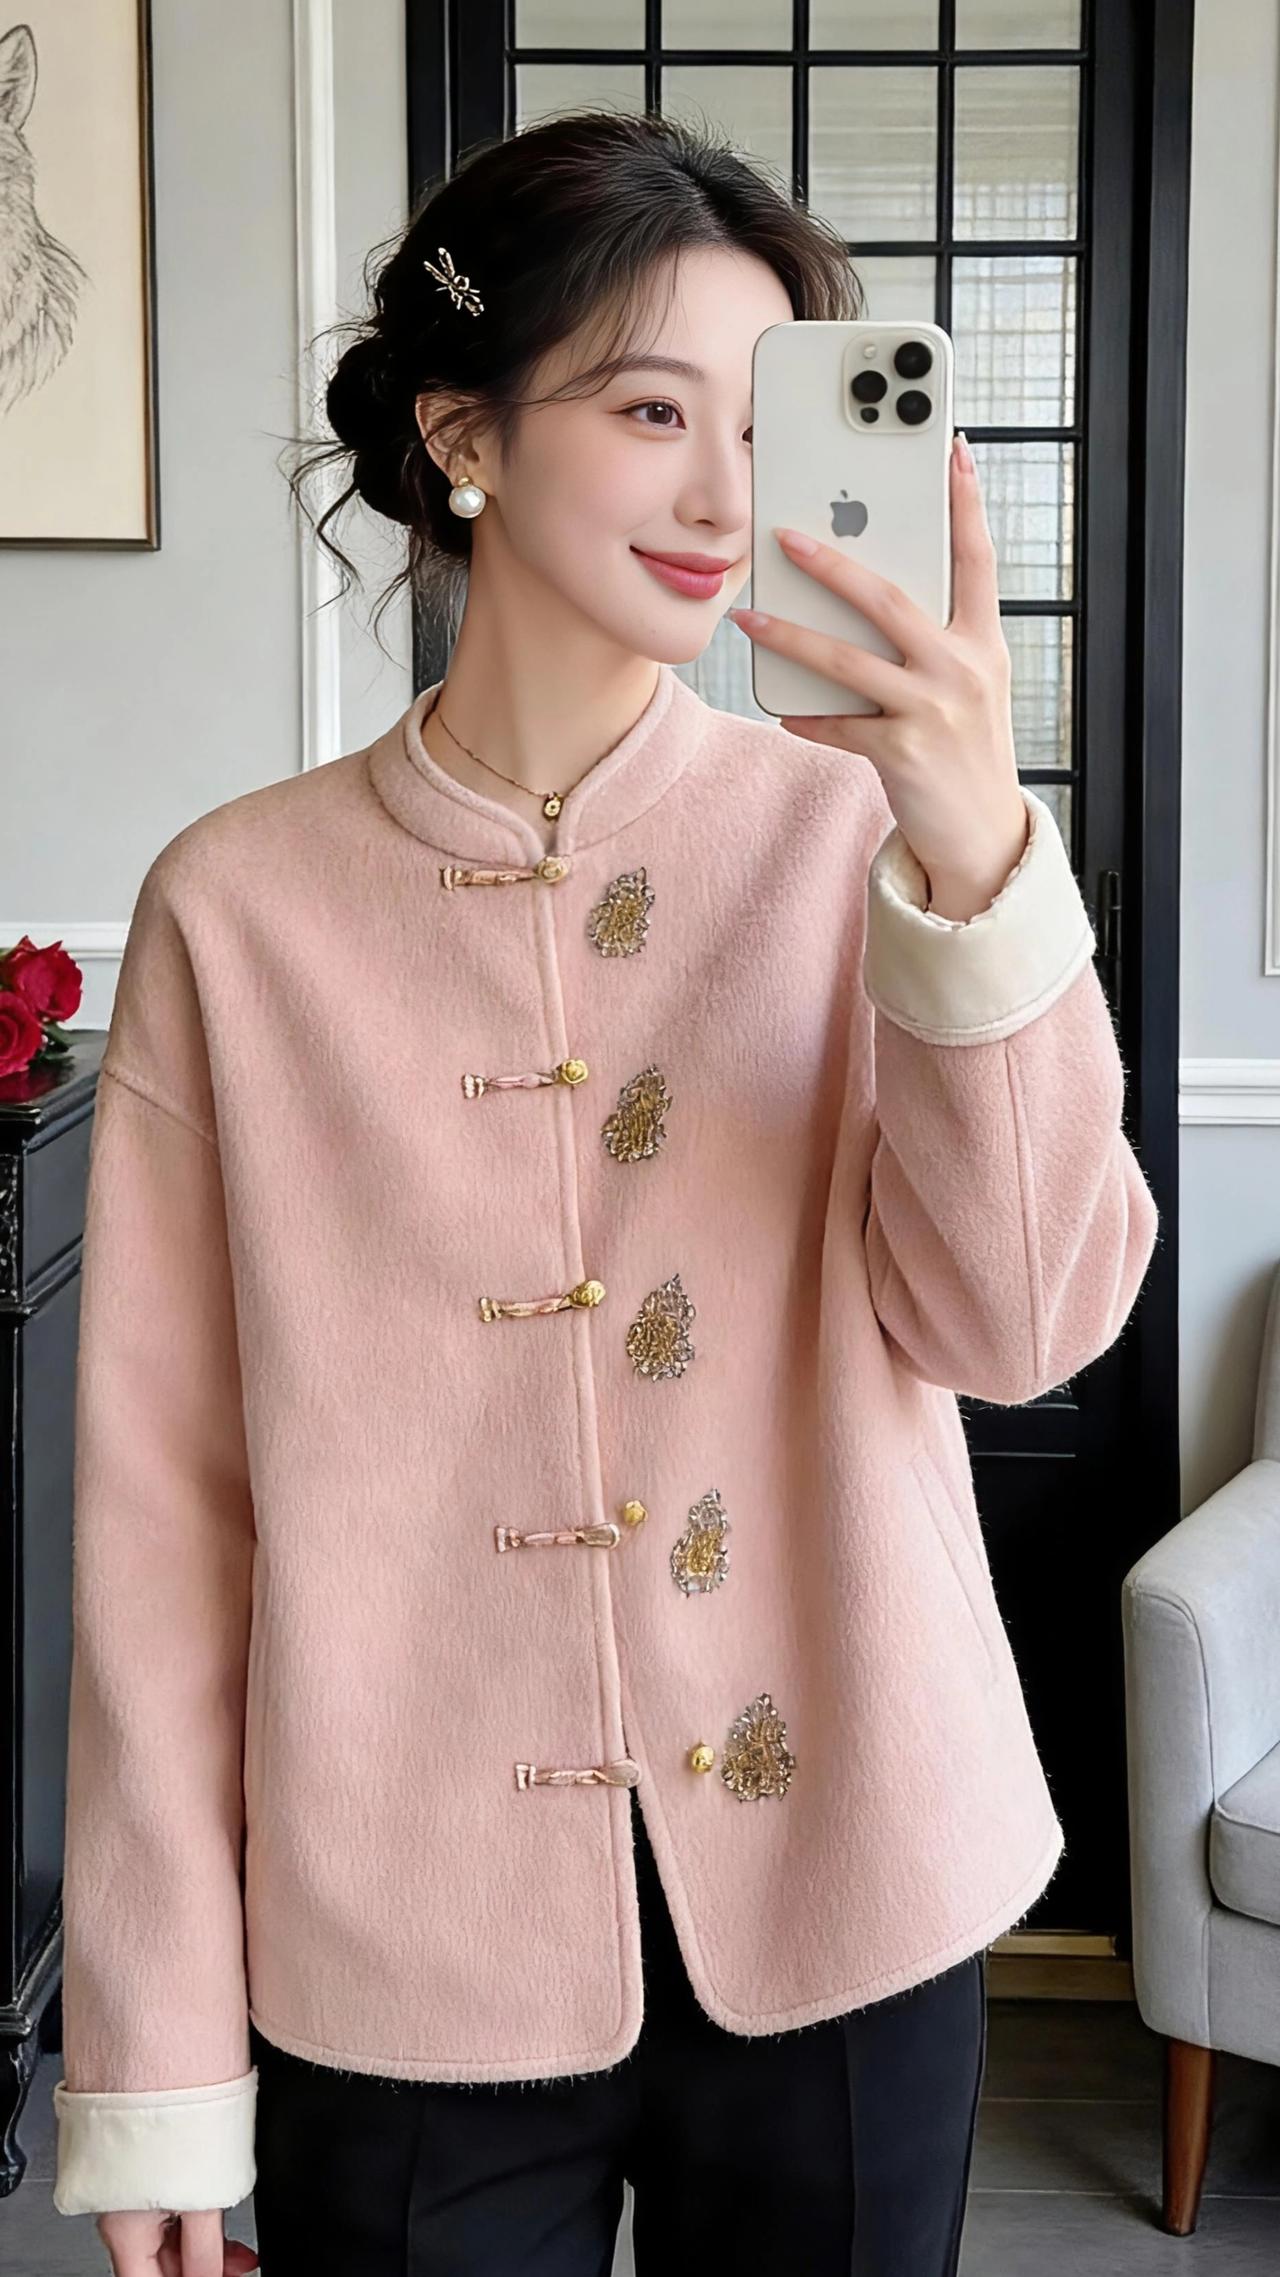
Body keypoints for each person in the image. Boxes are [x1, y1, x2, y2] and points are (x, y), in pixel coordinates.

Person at [51, 108, 1159, 2276]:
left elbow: (1022, 1323)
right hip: (404, 1945)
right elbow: (166, 1525)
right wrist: (156, 2050)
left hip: (850, 1888)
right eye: (653, 412)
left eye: (762, 421)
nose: (727, 496)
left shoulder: (858, 844)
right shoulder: (238, 911)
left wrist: (973, 856)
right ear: (463, 432)